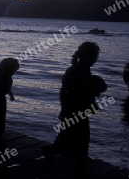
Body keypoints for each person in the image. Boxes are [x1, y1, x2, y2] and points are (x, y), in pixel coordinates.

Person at [42, 42, 107, 174]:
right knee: (79, 136)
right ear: (84, 56)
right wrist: (65, 109)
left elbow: (85, 92)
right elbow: (67, 92)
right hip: (73, 110)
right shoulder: (76, 71)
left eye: (96, 56)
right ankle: (79, 162)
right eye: (92, 56)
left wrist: (92, 103)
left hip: (79, 110)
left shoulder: (84, 70)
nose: (94, 59)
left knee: (70, 135)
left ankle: (68, 156)